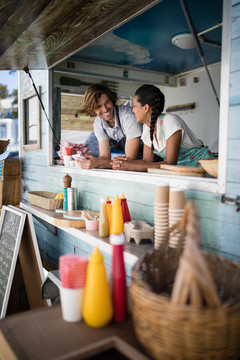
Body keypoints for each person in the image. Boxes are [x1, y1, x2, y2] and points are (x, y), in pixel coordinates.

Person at [112, 84, 214, 171]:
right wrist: (124, 162)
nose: (133, 110)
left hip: (203, 167)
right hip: (183, 170)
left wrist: (131, 166)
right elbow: (147, 161)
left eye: (134, 106)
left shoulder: (170, 121)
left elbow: (170, 163)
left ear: (146, 108)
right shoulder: (147, 128)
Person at [75, 84, 143, 169]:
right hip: (129, 167)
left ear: (111, 99)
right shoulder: (98, 123)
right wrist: (92, 161)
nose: (105, 109)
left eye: (107, 102)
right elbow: (104, 157)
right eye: (98, 106)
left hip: (147, 164)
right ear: (92, 109)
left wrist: (99, 163)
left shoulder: (128, 117)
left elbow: (129, 161)